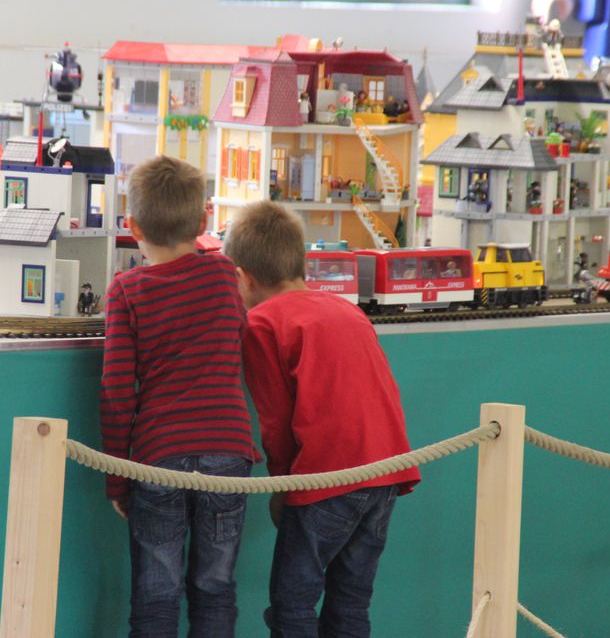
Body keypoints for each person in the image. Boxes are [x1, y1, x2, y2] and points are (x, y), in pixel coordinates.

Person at [223, 201, 421, 637]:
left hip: (327, 476)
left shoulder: (262, 323)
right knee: (351, 602)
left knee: (292, 604)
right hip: (387, 470)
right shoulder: (346, 309)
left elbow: (275, 420)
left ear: (242, 277)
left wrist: (282, 488)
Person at [99, 155, 259, 637]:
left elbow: (116, 393)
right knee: (215, 589)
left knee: (156, 595)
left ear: (132, 226)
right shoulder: (225, 275)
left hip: (158, 457)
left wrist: (117, 479)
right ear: (204, 221)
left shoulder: (125, 291)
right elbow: (241, 337)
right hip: (229, 452)